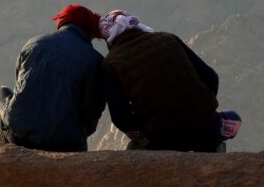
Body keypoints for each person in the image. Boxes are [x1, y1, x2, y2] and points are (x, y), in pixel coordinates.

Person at [98, 10, 241, 152]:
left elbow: (121, 117)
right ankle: (215, 145)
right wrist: (202, 108)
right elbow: (211, 77)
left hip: (162, 138)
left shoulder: (110, 64)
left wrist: (145, 131)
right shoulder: (168, 38)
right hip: (205, 125)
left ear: (109, 37)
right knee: (233, 118)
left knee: (135, 149)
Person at [0, 4, 106, 152]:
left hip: (20, 137)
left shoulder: (33, 43)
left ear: (63, 22)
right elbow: (91, 111)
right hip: (66, 144)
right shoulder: (95, 60)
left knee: (2, 92)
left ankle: (0, 147)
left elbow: (20, 87)